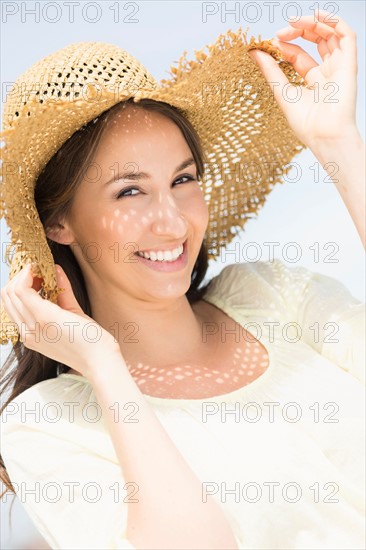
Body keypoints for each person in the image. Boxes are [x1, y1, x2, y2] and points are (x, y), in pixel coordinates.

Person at [0, 10, 365, 550]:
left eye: (183, 179)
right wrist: (104, 364)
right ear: (59, 222)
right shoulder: (51, 423)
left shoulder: (276, 296)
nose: (172, 221)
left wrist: (338, 145)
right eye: (130, 191)